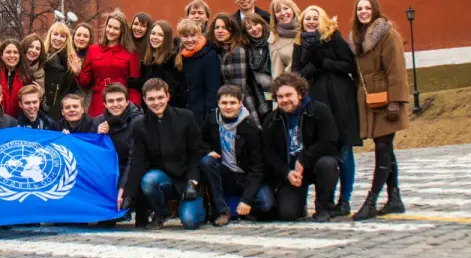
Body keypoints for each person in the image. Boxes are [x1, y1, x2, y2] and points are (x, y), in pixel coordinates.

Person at [292, 5, 361, 218]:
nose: (311, 22)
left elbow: (349, 65)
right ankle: (325, 201)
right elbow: (297, 74)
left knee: (344, 150)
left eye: (315, 18)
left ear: (322, 20)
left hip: (341, 102)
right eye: (307, 19)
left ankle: (345, 199)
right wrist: (313, 65)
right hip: (316, 105)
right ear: (302, 23)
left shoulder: (333, 38)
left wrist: (324, 62)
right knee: (323, 151)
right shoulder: (299, 44)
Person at [349, 0, 411, 220]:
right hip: (369, 99)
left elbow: (396, 70)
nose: (363, 12)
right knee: (384, 147)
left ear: (375, 10)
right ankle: (395, 198)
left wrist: (395, 101)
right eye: (359, 9)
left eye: (367, 8)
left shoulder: (388, 34)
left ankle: (371, 200)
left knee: (383, 149)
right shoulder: (357, 38)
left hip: (386, 99)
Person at [119, 78, 205, 230]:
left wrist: (193, 181)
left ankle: (200, 207)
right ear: (144, 100)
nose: (156, 102)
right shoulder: (139, 125)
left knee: (190, 222)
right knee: (149, 180)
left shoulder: (186, 117)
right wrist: (128, 194)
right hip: (161, 177)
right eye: (151, 99)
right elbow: (137, 160)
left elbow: (196, 152)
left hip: (187, 179)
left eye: (160, 97)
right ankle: (161, 212)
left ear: (168, 96)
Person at [261, 72, 340, 222]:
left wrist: (303, 159)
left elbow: (329, 142)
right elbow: (268, 154)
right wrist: (286, 173)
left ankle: (324, 207)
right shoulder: (272, 120)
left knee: (327, 164)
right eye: (280, 96)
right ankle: (300, 204)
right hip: (291, 172)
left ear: (300, 93)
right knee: (287, 214)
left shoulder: (319, 110)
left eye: (288, 95)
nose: (284, 100)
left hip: (316, 164)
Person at [199, 85, 274, 226]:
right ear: (218, 103)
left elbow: (257, 168)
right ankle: (222, 210)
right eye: (224, 103)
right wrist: (207, 150)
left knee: (266, 204)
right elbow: (199, 140)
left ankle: (239, 205)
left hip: (245, 176)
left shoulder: (251, 128)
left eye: (232, 103)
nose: (228, 107)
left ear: (240, 103)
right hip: (225, 173)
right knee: (206, 162)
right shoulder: (212, 119)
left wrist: (246, 199)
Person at [93, 84, 144, 224]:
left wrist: (123, 188)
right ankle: (106, 212)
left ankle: (141, 211)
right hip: (111, 169)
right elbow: (95, 157)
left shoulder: (139, 120)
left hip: (134, 166)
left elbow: (136, 158)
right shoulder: (98, 121)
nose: (115, 104)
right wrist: (99, 137)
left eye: (119, 100)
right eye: (111, 101)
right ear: (104, 104)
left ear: (127, 101)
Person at [78, 11, 141, 118]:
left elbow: (135, 85)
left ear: (122, 31)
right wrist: (77, 72)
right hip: (99, 101)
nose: (111, 31)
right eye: (109, 26)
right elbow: (86, 81)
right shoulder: (93, 50)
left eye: (116, 28)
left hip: (121, 101)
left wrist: (134, 108)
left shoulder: (131, 52)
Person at [209, 13, 265, 124]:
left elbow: (240, 86)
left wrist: (234, 109)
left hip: (240, 102)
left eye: (224, 28)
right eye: (217, 27)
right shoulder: (221, 50)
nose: (220, 31)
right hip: (229, 102)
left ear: (232, 30)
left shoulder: (237, 50)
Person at [128, 20, 185, 110]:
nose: (155, 37)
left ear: (166, 39)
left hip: (165, 109)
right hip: (148, 108)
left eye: (160, 35)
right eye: (153, 33)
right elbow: (146, 81)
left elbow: (172, 88)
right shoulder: (148, 58)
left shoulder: (172, 59)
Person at [175, 18, 221, 124]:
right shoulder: (181, 56)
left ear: (199, 35)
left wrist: (209, 117)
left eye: (193, 35)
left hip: (203, 116)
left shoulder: (210, 56)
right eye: (185, 36)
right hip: (185, 115)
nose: (189, 40)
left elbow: (213, 90)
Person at [42, 22, 81, 121]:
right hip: (40, 107)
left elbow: (71, 89)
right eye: (55, 34)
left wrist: (77, 73)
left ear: (67, 39)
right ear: (50, 35)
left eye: (62, 36)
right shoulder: (41, 56)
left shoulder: (71, 60)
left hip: (60, 112)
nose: (58, 38)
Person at [0, 39, 34, 117]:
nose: (12, 55)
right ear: (1, 55)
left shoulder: (27, 75)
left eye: (15, 52)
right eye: (8, 52)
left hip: (20, 119)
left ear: (20, 55)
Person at [243, 14, 275, 117]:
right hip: (260, 94)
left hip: (279, 89)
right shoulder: (246, 48)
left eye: (256, 24)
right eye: (249, 28)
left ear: (262, 24)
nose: (254, 29)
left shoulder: (273, 40)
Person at [269, 0, 302, 77]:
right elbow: (277, 75)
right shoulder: (274, 39)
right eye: (278, 11)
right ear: (274, 16)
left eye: (286, 8)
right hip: (297, 82)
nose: (283, 13)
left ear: (293, 9)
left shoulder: (307, 27)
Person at [72, 23, 94, 109]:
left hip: (83, 101)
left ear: (90, 39)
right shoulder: (67, 53)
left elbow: (87, 84)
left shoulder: (92, 57)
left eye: (85, 36)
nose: (81, 38)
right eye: (78, 35)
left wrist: (78, 73)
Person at [21, 33, 47, 105]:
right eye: (31, 46)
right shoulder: (15, 66)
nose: (34, 51)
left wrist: (40, 93)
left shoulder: (40, 71)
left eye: (37, 49)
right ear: (24, 47)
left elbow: (40, 95)